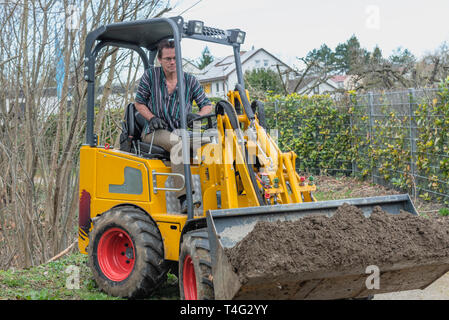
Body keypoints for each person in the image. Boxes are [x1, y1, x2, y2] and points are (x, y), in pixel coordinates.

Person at [134, 39, 213, 213]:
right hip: (155, 131)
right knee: (179, 145)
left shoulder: (190, 81)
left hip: (181, 131)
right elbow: (139, 103)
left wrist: (198, 116)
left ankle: (214, 194)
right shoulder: (150, 76)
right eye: (168, 58)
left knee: (210, 143)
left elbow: (207, 105)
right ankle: (185, 198)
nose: (172, 62)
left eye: (175, 58)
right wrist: (151, 117)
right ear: (160, 60)